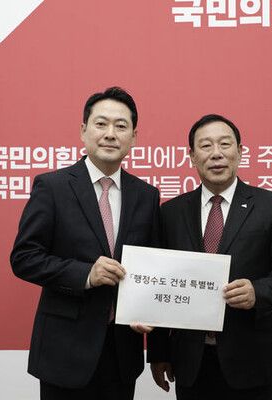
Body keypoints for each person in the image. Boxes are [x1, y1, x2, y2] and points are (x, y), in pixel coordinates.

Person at [10, 87, 160, 400]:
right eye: (101, 124)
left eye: (121, 126)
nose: (110, 134)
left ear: (134, 137)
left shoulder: (146, 195)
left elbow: (153, 266)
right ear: (83, 131)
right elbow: (24, 257)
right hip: (64, 352)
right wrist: (86, 275)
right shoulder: (52, 187)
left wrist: (149, 310)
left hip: (122, 353)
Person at [147, 114, 272, 400]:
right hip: (191, 362)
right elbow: (161, 282)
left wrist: (257, 292)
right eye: (206, 145)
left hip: (252, 360)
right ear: (192, 156)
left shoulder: (270, 206)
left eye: (224, 144)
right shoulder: (171, 212)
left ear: (240, 151)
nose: (216, 153)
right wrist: (159, 352)